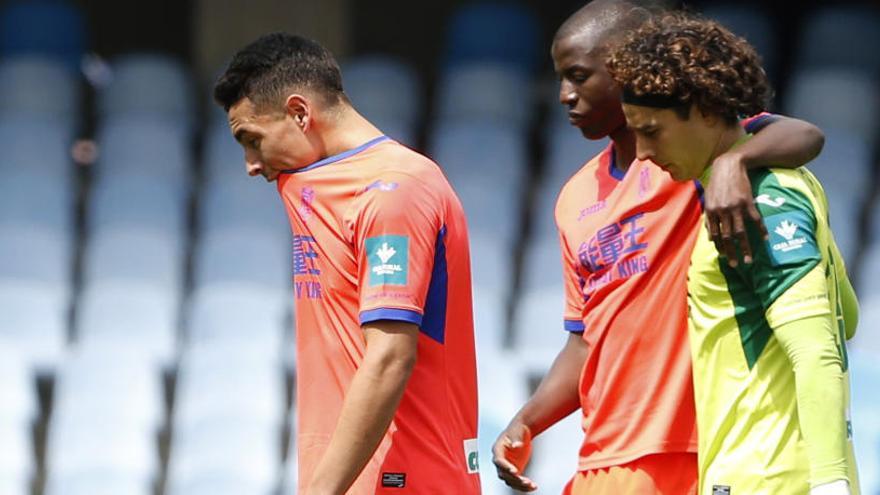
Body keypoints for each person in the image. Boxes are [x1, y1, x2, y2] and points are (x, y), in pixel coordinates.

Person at [492, 1, 827, 494]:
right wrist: (529, 420)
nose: (565, 94)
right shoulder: (574, 197)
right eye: (561, 79)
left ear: (626, 69)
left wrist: (737, 163)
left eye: (579, 76)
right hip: (604, 452)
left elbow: (805, 135)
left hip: (692, 448)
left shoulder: (687, 159)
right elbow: (585, 337)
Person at [213, 33, 481, 494]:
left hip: (407, 478)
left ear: (300, 113)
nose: (250, 164)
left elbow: (390, 356)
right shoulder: (321, 182)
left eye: (252, 140)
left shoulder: (394, 190)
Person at [607, 11, 860, 495]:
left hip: (764, 477)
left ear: (704, 110)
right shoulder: (781, 183)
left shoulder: (760, 201)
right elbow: (844, 318)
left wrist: (830, 484)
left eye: (653, 131)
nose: (640, 152)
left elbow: (815, 350)